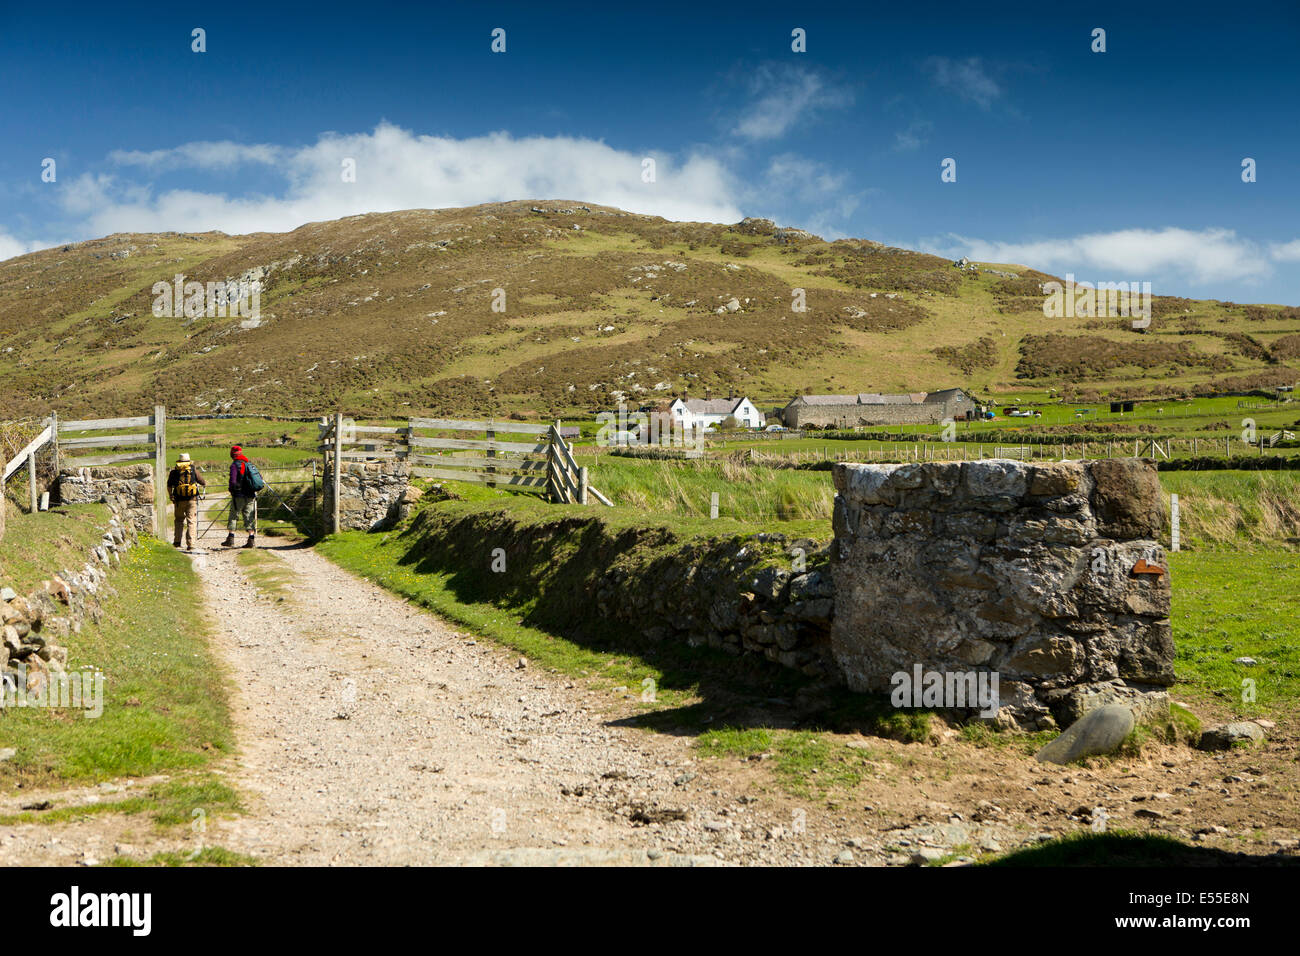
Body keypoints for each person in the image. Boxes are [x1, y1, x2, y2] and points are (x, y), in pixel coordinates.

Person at [166, 453, 206, 551]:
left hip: (179, 500)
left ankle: (177, 542)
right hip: (191, 500)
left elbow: (169, 485)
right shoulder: (193, 470)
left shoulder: (174, 472)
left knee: (179, 520)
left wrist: (171, 495)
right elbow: (203, 482)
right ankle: (191, 544)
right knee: (191, 521)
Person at [223, 445, 258, 548]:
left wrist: (231, 490)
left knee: (234, 516)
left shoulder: (234, 465)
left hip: (238, 495)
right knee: (249, 516)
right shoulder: (248, 463)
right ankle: (251, 540)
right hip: (250, 494)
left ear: (232, 455)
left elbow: (233, 481)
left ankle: (230, 539)